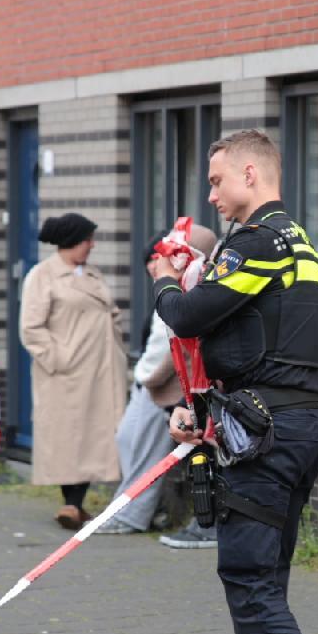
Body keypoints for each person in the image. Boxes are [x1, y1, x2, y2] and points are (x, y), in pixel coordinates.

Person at [150, 128, 318, 634]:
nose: (211, 196)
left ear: (250, 172)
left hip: (266, 437)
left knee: (248, 577)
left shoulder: (258, 242)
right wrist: (203, 408)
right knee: (263, 577)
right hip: (291, 425)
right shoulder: (302, 247)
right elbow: (253, 344)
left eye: (217, 182)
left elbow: (189, 316)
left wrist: (160, 278)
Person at [104, 222, 220, 538]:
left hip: (176, 389)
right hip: (172, 390)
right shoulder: (174, 290)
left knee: (151, 449)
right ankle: (132, 510)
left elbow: (173, 341)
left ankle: (136, 514)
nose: (160, 264)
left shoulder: (190, 291)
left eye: (170, 255)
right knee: (133, 443)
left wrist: (146, 376)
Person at [19, 212, 127, 529]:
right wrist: (60, 359)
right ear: (70, 242)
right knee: (68, 437)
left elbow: (110, 312)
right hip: (66, 374)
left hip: (101, 370)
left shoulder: (92, 274)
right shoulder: (41, 277)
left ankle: (75, 505)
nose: (92, 245)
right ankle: (71, 504)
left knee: (94, 435)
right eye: (87, 240)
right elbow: (31, 328)